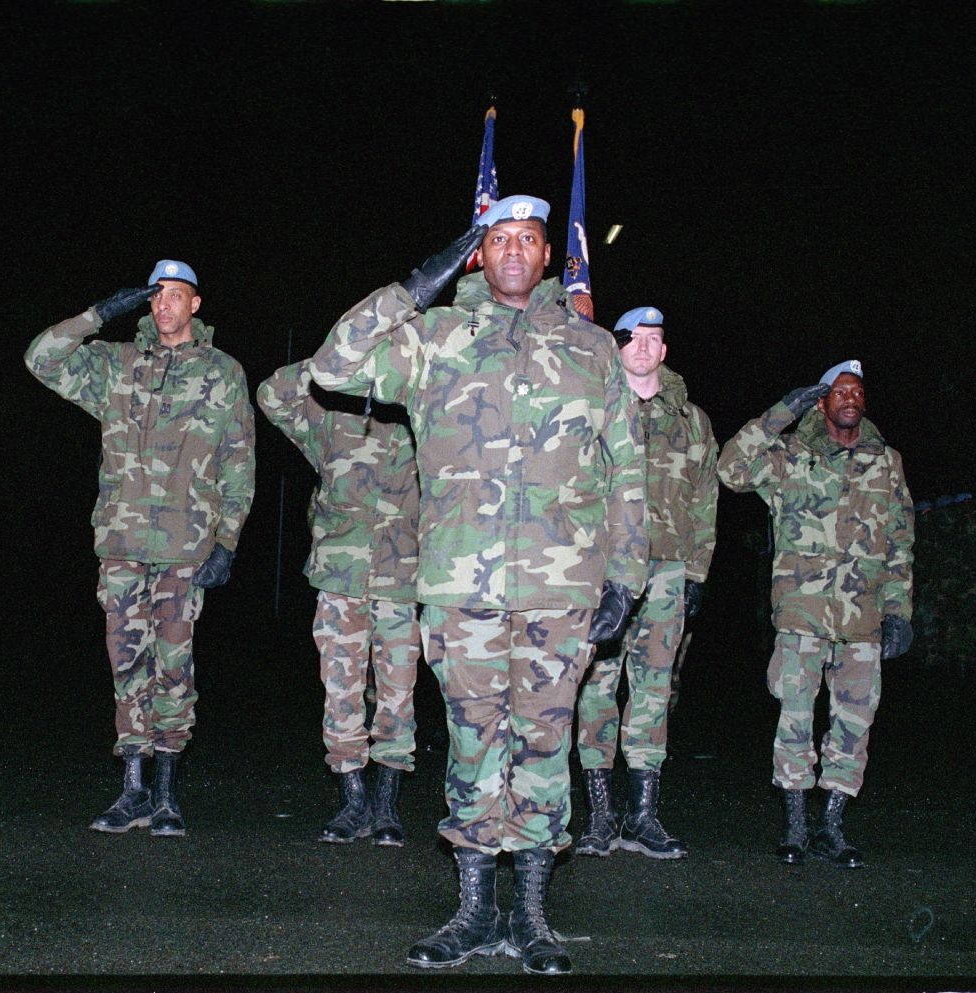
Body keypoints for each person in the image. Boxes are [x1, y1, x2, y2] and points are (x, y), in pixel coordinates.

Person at [306, 195, 648, 975]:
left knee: (541, 747)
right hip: (461, 589)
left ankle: (529, 918)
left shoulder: (594, 349)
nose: (516, 250)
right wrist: (417, 283)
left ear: (548, 253)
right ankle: (469, 912)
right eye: (499, 239)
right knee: (470, 746)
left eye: (530, 238)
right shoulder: (432, 338)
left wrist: (625, 574)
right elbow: (333, 364)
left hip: (562, 593)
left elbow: (628, 472)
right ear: (478, 254)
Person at [26, 259, 255, 839]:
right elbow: (41, 358)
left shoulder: (223, 373)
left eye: (176, 295)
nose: (164, 306)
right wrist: (99, 314)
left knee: (174, 668)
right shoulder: (114, 366)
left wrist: (226, 540)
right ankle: (131, 791)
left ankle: (167, 796)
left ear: (196, 304)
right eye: (155, 297)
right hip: (124, 546)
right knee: (127, 666)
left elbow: (238, 461)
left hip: (185, 548)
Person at [717, 359, 914, 868]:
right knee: (795, 720)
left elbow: (899, 541)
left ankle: (832, 825)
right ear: (822, 402)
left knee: (854, 723)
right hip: (802, 615)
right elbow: (730, 469)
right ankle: (796, 825)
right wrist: (782, 412)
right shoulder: (790, 456)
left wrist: (898, 610)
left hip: (863, 618)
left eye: (857, 392)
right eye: (839, 391)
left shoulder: (886, 461)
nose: (850, 398)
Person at [257, 360, 422, 847]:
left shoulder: (423, 417)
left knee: (397, 693)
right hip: (339, 577)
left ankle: (387, 804)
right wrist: (330, 363)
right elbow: (271, 394)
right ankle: (353, 801)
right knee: (341, 689)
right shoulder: (329, 418)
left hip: (404, 577)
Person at [573, 306, 717, 860]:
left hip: (666, 573)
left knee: (654, 690)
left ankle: (643, 816)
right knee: (596, 690)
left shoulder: (692, 421)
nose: (641, 347)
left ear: (664, 351)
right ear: (617, 348)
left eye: (652, 339)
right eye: (631, 338)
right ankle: (600, 817)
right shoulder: (593, 409)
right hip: (605, 574)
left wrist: (697, 573)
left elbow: (706, 500)